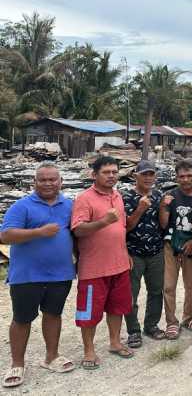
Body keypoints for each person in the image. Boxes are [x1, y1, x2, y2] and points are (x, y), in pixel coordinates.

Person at [1, 162, 76, 388]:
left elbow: (76, 235)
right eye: (42, 179)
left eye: (52, 179)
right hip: (27, 274)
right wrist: (40, 232)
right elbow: (6, 236)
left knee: (53, 314)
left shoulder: (69, 206)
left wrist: (80, 258)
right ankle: (17, 364)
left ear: (60, 182)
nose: (47, 183)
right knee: (22, 318)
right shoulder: (21, 206)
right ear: (34, 182)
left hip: (60, 273)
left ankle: (51, 357)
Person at [71, 156, 134, 369]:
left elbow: (121, 229)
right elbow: (78, 230)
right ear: (94, 174)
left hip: (119, 264)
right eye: (106, 172)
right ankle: (89, 350)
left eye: (115, 172)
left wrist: (126, 253)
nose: (111, 176)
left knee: (117, 307)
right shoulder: (84, 199)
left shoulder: (117, 196)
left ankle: (115, 342)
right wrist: (104, 221)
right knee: (89, 312)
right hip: (94, 268)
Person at [123, 160, 165, 349]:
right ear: (135, 177)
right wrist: (140, 209)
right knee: (131, 294)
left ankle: (151, 325)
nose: (148, 178)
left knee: (156, 291)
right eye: (144, 174)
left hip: (156, 252)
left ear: (155, 176)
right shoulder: (126, 198)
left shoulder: (157, 195)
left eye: (151, 174)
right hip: (134, 253)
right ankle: (133, 331)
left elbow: (162, 224)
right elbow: (125, 227)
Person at [159, 159, 192, 340]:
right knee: (168, 285)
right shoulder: (170, 195)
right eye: (182, 176)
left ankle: (188, 317)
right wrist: (162, 206)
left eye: (189, 176)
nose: (185, 180)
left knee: (191, 284)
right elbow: (163, 223)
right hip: (171, 245)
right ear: (176, 177)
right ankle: (171, 322)